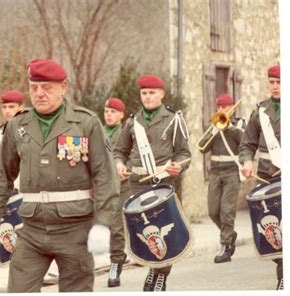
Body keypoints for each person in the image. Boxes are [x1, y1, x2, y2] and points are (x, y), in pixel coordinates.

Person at [0, 58, 120, 292]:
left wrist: (103, 223)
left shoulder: (85, 123)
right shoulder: (18, 125)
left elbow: (105, 176)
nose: (39, 94)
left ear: (63, 87)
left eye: (47, 87)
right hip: (32, 229)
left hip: (74, 230)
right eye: (34, 87)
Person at [113, 74, 191, 291]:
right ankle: (152, 268)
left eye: (152, 93)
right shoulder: (132, 121)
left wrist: (178, 166)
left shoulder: (173, 119)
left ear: (161, 94)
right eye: (144, 93)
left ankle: (161, 276)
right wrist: (119, 164)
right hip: (137, 183)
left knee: (164, 229)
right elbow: (120, 150)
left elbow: (184, 153)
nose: (147, 97)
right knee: (145, 230)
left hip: (163, 182)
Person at [239, 64, 282, 290]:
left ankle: (283, 276)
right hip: (266, 175)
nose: (275, 87)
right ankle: (282, 264)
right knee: (270, 230)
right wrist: (246, 161)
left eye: (279, 82)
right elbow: (247, 144)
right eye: (272, 82)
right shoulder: (260, 111)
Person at [198, 93, 245, 263]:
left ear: (232, 107)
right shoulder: (213, 125)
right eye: (219, 107)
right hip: (216, 173)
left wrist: (231, 128)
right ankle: (230, 234)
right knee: (212, 211)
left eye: (225, 107)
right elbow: (202, 147)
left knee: (227, 211)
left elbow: (246, 143)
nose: (222, 110)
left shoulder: (239, 125)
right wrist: (213, 129)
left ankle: (225, 245)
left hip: (232, 173)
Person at [103, 97, 131, 288]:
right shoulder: (99, 132)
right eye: (106, 111)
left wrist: (125, 168)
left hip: (120, 185)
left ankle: (116, 261)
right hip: (100, 186)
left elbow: (132, 154)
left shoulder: (125, 132)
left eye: (113, 111)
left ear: (121, 115)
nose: (109, 115)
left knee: (116, 226)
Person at [0, 89, 25, 172]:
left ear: (21, 108)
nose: (7, 111)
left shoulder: (32, 130)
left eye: (11, 107)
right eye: (4, 107)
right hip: (7, 183)